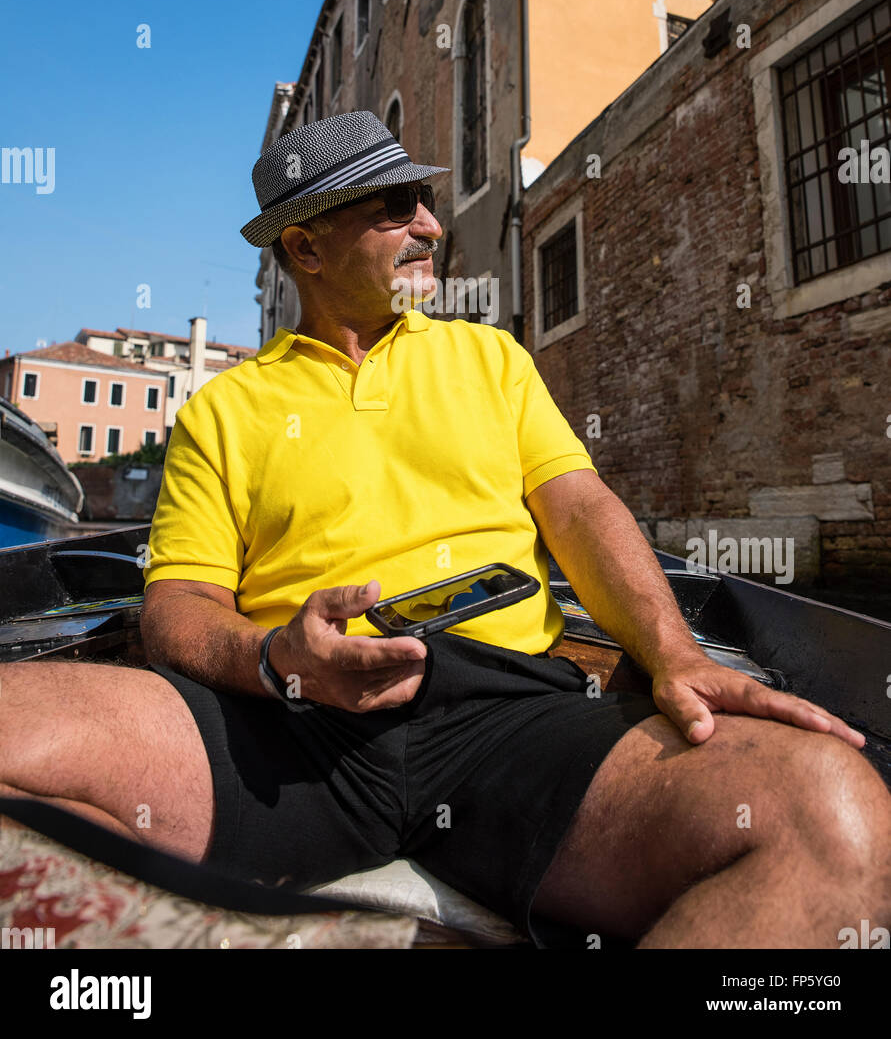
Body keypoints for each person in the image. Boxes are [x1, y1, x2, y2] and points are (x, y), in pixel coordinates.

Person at [0, 109, 888, 949]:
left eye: (422, 200)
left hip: (507, 716)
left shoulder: (491, 360)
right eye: (395, 207)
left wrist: (674, 655)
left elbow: (579, 509)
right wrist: (280, 661)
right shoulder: (225, 410)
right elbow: (180, 608)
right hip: (286, 725)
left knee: (830, 815)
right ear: (304, 246)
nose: (429, 225)